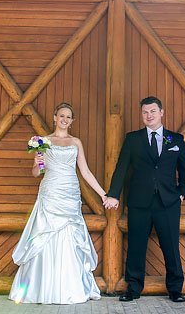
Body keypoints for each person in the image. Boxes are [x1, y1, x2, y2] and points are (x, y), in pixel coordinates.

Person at [8, 102, 110, 304]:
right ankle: (42, 288)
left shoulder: (76, 142)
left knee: (69, 237)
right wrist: (37, 164)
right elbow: (38, 172)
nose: (64, 120)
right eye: (61, 116)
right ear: (55, 117)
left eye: (68, 117)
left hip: (70, 193)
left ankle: (69, 287)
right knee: (45, 234)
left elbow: (85, 172)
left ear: (72, 121)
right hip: (51, 193)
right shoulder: (43, 141)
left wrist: (103, 195)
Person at [106, 96, 185, 303]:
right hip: (139, 203)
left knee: (171, 246)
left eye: (153, 111)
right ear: (141, 114)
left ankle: (175, 290)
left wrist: (181, 193)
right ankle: (133, 289)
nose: (149, 115)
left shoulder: (175, 139)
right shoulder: (133, 139)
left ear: (161, 112)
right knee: (136, 246)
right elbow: (121, 168)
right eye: (145, 112)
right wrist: (113, 194)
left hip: (168, 203)